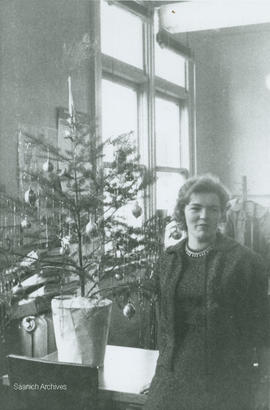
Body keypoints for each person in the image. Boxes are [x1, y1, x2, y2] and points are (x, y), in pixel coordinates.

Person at [144, 174, 270, 410]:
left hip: (226, 385)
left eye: (213, 209)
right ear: (183, 212)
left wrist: (265, 386)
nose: (204, 216)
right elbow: (163, 328)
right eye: (196, 208)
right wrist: (159, 376)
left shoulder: (246, 262)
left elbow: (264, 332)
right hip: (171, 382)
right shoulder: (167, 261)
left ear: (222, 214)